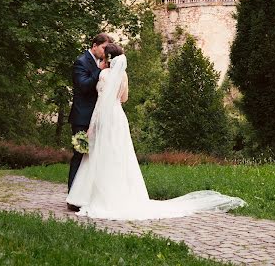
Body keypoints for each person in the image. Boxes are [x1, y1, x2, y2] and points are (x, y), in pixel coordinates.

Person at [67, 44, 246, 220]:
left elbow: (100, 105)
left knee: (103, 155)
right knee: (120, 155)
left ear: (107, 59)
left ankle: (96, 196)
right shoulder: (123, 76)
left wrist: (92, 127)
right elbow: (124, 98)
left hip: (105, 118)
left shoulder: (104, 75)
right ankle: (124, 195)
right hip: (118, 118)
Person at [67, 32, 113, 201]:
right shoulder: (81, 62)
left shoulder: (104, 64)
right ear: (94, 46)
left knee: (94, 158)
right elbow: (84, 86)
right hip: (82, 117)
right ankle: (72, 196)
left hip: (98, 117)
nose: (105, 51)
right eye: (103, 47)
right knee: (79, 155)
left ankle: (88, 195)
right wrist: (99, 71)